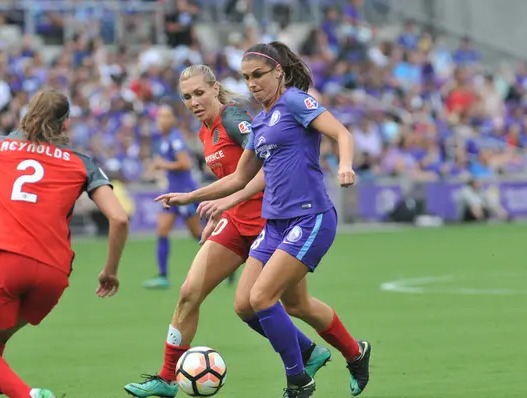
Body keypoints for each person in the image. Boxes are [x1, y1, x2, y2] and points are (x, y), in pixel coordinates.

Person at [157, 43, 371, 398]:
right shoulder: (260, 121)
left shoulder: (295, 102)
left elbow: (342, 134)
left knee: (263, 297)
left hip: (309, 217)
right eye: (246, 77)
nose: (252, 83)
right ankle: (353, 352)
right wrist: (194, 197)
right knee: (247, 304)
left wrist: (346, 165)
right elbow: (241, 178)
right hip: (275, 224)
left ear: (279, 73)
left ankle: (298, 379)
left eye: (258, 75)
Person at [124, 65, 336, 398]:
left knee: (295, 305)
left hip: (271, 221)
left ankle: (326, 353)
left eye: (198, 93)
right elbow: (232, 176)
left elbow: (264, 153)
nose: (193, 102)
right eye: (186, 97)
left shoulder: (233, 117)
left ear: (214, 89)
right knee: (189, 292)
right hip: (236, 222)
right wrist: (218, 210)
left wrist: (203, 197)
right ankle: (166, 379)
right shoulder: (203, 132)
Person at [0, 89, 129, 398]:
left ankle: (29, 396)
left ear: (28, 113)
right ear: (65, 124)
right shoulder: (82, 163)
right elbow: (119, 219)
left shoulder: (2, 145)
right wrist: (110, 271)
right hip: (52, 274)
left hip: (3, 261)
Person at [143, 105, 202, 289]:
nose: (161, 120)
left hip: (184, 192)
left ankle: (226, 260)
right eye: (159, 116)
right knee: (162, 230)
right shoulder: (164, 139)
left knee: (197, 233)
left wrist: (162, 165)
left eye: (166, 116)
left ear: (172, 119)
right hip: (172, 192)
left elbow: (184, 164)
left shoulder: (176, 139)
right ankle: (162, 276)